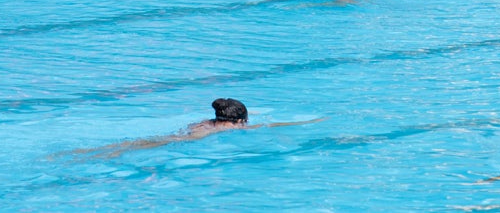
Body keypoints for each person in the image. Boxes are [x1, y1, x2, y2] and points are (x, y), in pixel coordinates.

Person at [67, 99, 319, 159]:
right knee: (135, 147)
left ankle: (92, 151)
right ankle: (103, 152)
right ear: (241, 121)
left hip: (183, 134)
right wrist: (308, 123)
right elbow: (270, 126)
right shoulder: (231, 129)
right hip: (185, 140)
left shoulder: (210, 122)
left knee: (133, 144)